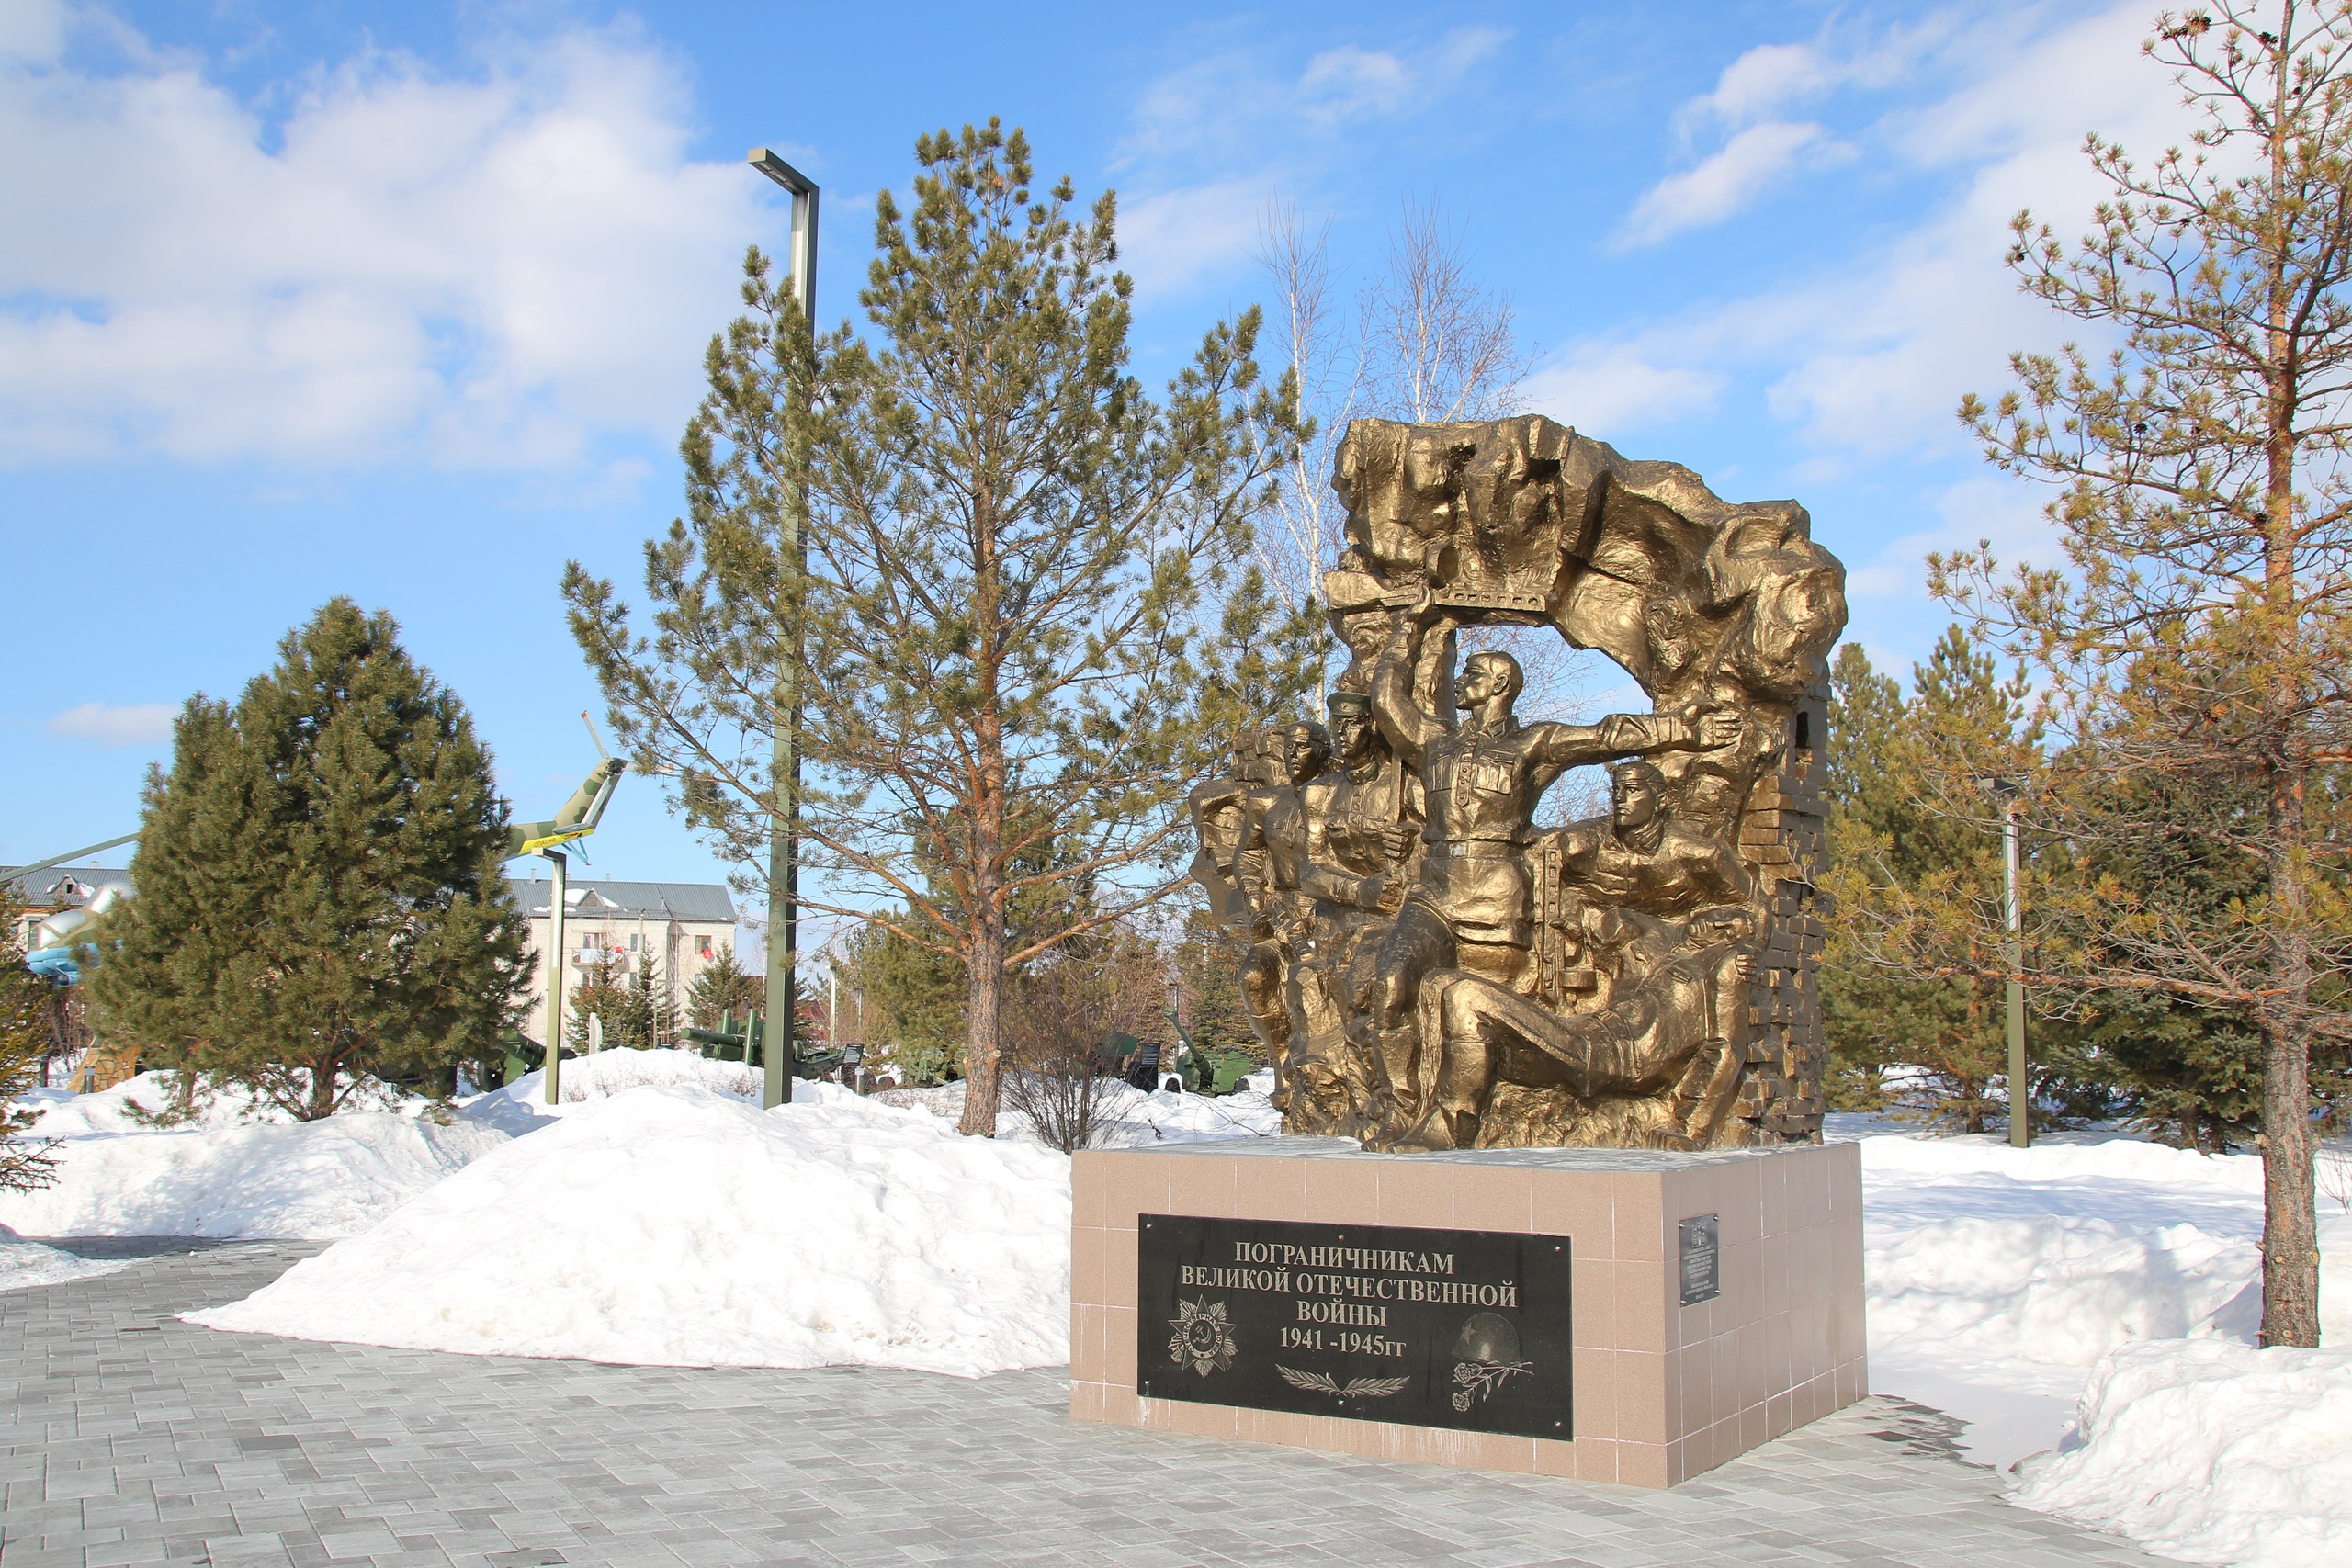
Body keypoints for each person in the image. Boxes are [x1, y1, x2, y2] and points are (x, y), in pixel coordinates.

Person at [1363, 596, 1738, 1139]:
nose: (1462, 680)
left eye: (1472, 673)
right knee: (1391, 983)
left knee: (1472, 1013)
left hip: (1495, 903)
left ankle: (1459, 1122)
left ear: (1498, 685)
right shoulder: (1435, 743)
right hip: (1435, 894)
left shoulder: (1532, 743)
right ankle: (1401, 1108)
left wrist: (1687, 731)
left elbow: (1606, 736)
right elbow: (1387, 703)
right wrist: (1408, 630)